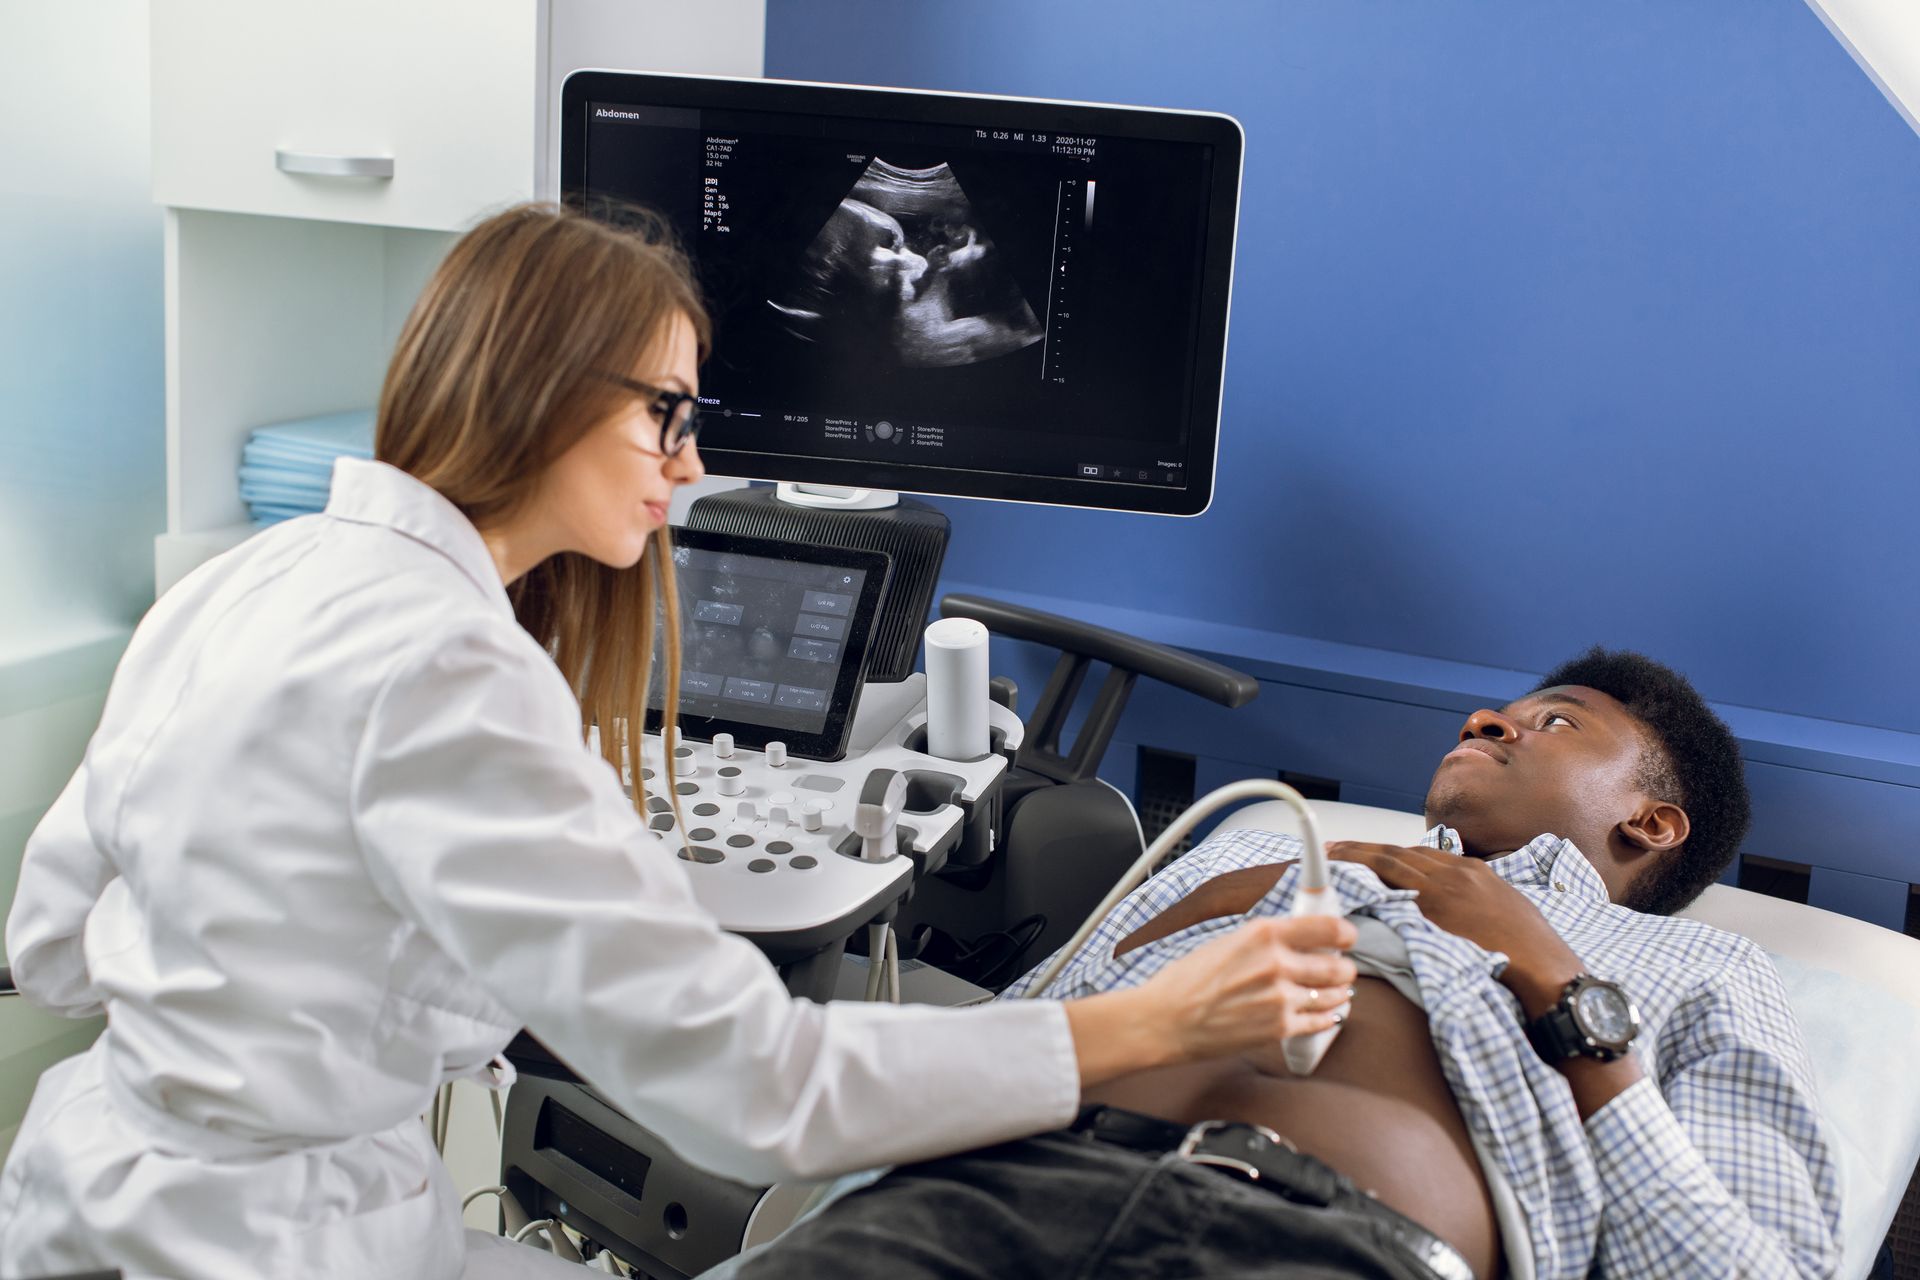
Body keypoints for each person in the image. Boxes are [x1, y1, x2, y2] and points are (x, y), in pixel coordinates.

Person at [0, 203, 1357, 1280]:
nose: (693, 464)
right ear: (534, 389)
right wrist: (1154, 1023)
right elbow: (756, 1099)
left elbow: (52, 941)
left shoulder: (256, 574)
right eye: (668, 410)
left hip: (88, 1186)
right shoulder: (450, 668)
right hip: (273, 1242)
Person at [724, 649, 1843, 1280]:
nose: (1490, 719)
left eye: (1553, 721)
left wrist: (1553, 979)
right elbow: (1009, 1040)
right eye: (1499, 707)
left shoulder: (1706, 965)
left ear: (1653, 822)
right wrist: (1208, 907)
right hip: (987, 1195)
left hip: (1328, 1244)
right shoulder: (1266, 840)